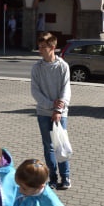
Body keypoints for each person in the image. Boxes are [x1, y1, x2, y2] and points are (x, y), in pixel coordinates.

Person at [31, 32, 72, 190]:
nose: (40, 50)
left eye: (43, 47)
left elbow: (66, 90)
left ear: (52, 48)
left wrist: (58, 109)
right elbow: (35, 91)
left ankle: (66, 177)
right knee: (48, 146)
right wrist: (49, 105)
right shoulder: (37, 68)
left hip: (60, 113)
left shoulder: (63, 66)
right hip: (43, 112)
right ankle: (53, 178)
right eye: (39, 47)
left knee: (60, 144)